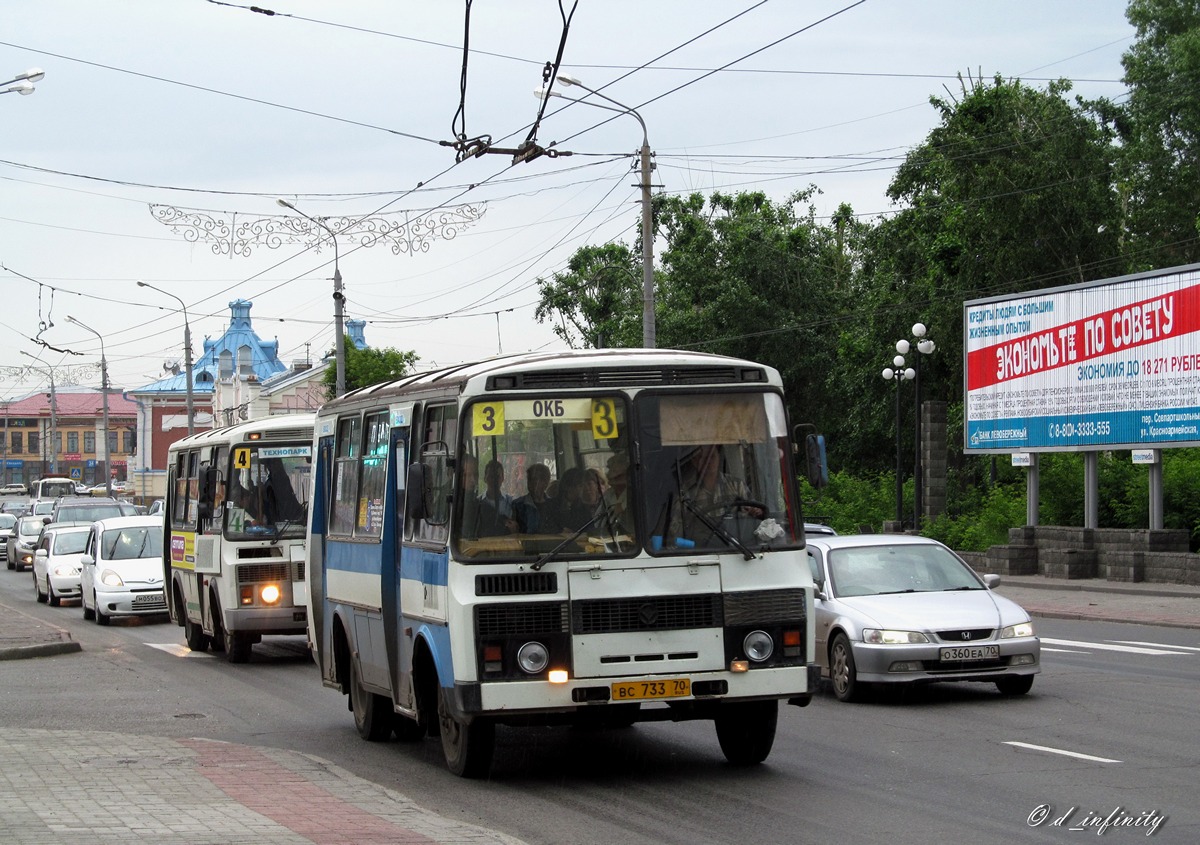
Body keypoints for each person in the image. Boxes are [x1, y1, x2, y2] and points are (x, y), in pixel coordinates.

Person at [476, 459, 518, 537]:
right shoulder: (478, 503)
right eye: (491, 476)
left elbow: (514, 528)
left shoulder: (511, 503)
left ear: (503, 478)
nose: (494, 480)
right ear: (485, 478)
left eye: (497, 476)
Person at [514, 463, 557, 533]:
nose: (531, 483)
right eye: (529, 479)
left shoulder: (554, 506)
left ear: (545, 482)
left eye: (535, 479)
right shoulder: (517, 505)